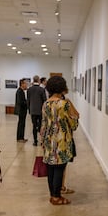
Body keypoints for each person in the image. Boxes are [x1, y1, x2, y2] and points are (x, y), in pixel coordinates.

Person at [40, 76, 79, 205]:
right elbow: (74, 124)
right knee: (59, 169)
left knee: (51, 169)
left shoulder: (45, 104)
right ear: (62, 88)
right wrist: (75, 115)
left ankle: (53, 195)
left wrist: (43, 141)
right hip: (62, 141)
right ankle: (57, 197)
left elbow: (44, 125)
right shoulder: (64, 104)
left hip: (48, 140)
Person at [27, 75, 46, 146]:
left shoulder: (29, 89)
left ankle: (35, 141)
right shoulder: (41, 89)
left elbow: (28, 101)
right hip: (40, 111)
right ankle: (42, 141)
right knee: (41, 126)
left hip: (33, 110)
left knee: (34, 126)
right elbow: (44, 100)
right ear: (38, 81)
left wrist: (29, 109)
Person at [15, 78, 29, 142]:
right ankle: (19, 138)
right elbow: (21, 102)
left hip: (22, 110)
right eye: (26, 83)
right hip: (21, 110)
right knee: (21, 124)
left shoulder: (21, 91)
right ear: (22, 84)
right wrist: (27, 102)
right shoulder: (20, 91)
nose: (27, 85)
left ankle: (21, 137)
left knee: (22, 124)